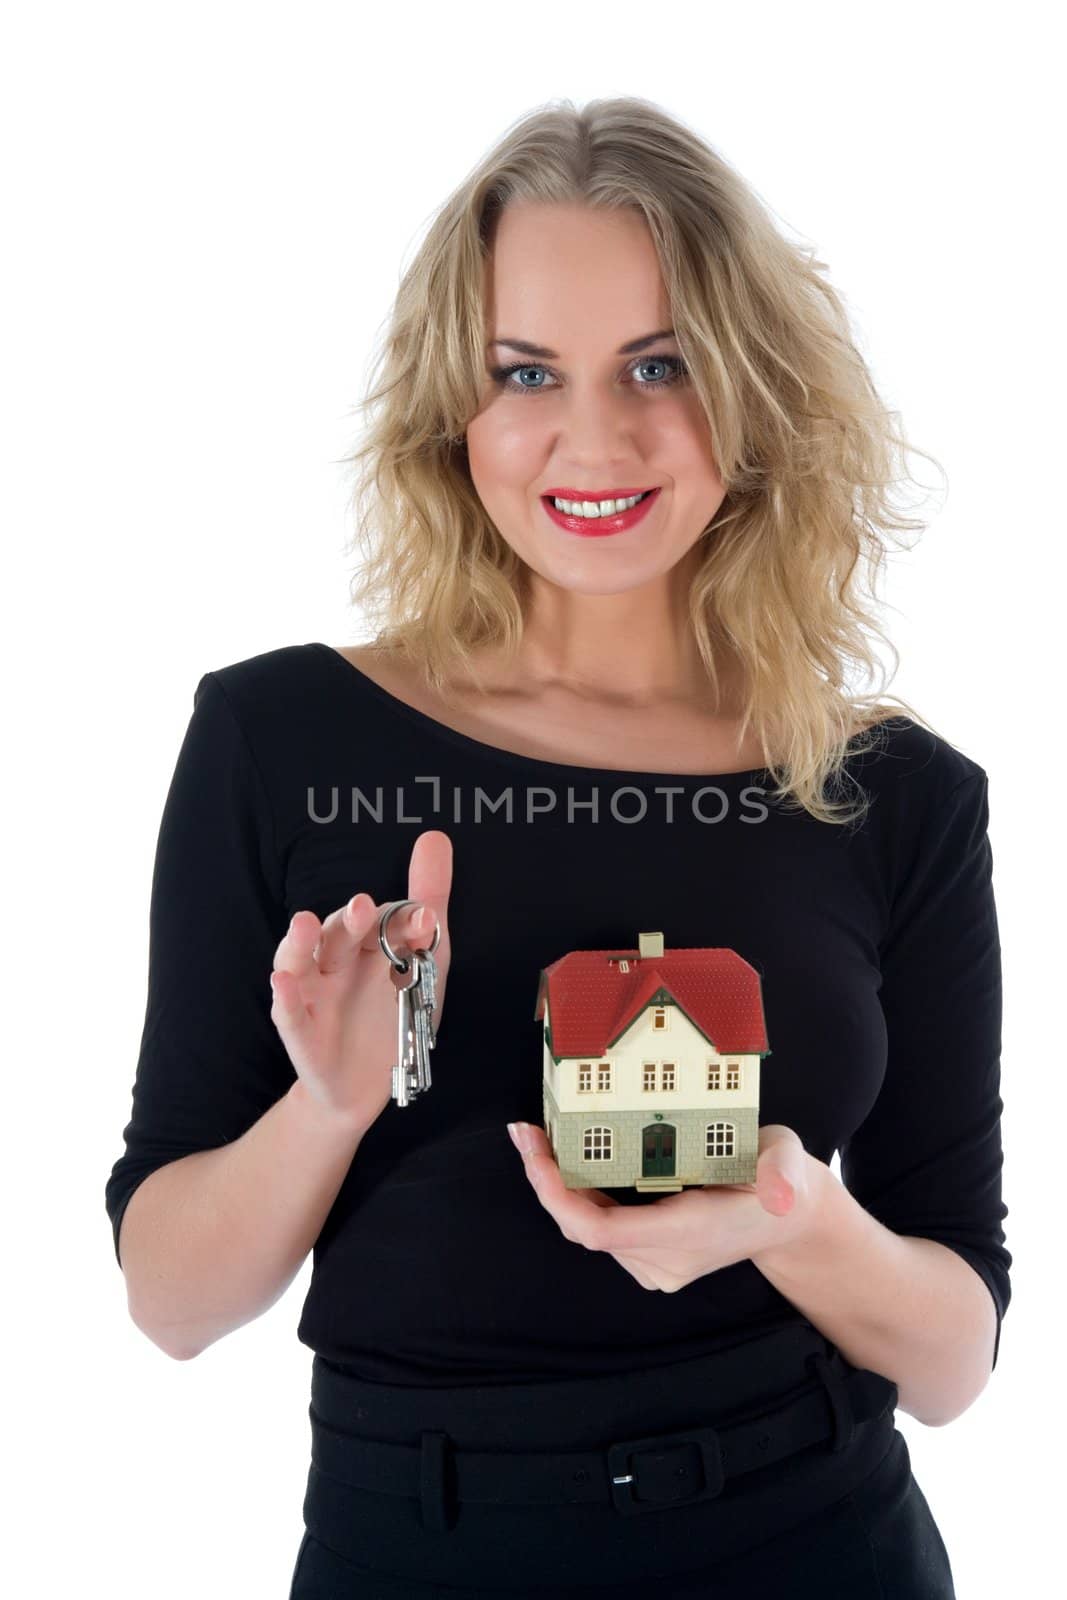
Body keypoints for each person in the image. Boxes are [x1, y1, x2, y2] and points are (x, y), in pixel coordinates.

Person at [105, 96, 1010, 1598]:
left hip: (818, 1531)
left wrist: (791, 1217)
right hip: (424, 1545)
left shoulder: (897, 794)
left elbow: (956, 1355)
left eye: (660, 365)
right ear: (454, 418)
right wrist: (329, 1105)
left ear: (756, 391)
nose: (594, 436)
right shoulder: (280, 741)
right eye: (526, 371)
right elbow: (170, 1304)